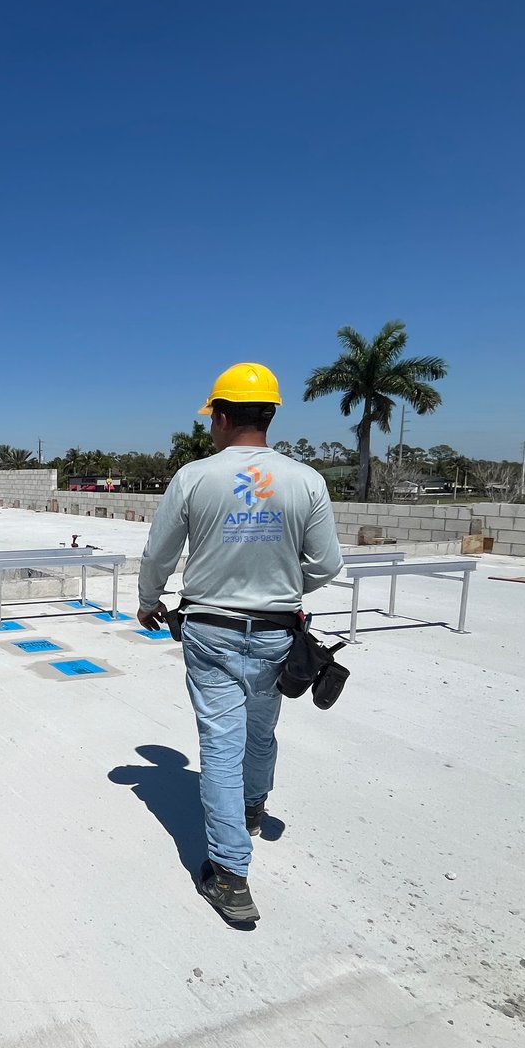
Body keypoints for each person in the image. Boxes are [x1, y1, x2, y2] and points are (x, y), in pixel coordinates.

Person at [136, 362, 342, 925]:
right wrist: (283, 586)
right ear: (269, 415)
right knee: (261, 730)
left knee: (221, 749)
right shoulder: (306, 481)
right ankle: (253, 808)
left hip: (212, 633)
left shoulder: (194, 477)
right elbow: (328, 564)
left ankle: (230, 874)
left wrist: (150, 599)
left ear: (222, 417)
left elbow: (158, 554)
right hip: (278, 632)